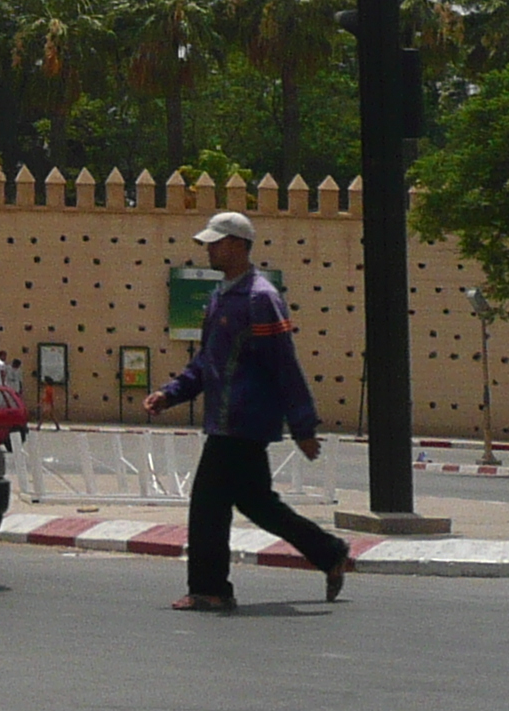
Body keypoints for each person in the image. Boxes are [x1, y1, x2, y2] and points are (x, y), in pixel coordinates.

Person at [140, 211, 354, 613]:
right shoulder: (222, 295)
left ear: (238, 245)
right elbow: (206, 363)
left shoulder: (260, 298)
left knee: (207, 505)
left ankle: (210, 588)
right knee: (257, 503)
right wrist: (171, 394)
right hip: (224, 420)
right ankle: (329, 552)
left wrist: (302, 426)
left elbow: (283, 364)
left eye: (216, 242)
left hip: (244, 422)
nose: (208, 249)